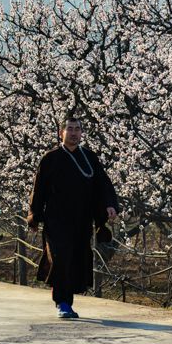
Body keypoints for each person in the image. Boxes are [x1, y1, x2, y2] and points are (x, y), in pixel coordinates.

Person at [27, 115, 119, 319]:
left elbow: (103, 184)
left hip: (82, 219)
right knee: (60, 258)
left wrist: (109, 205)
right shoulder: (50, 158)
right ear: (62, 132)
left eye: (78, 128)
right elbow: (38, 189)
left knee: (75, 259)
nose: (74, 132)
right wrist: (34, 215)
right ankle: (63, 302)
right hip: (56, 220)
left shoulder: (89, 158)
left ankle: (67, 300)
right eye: (70, 128)